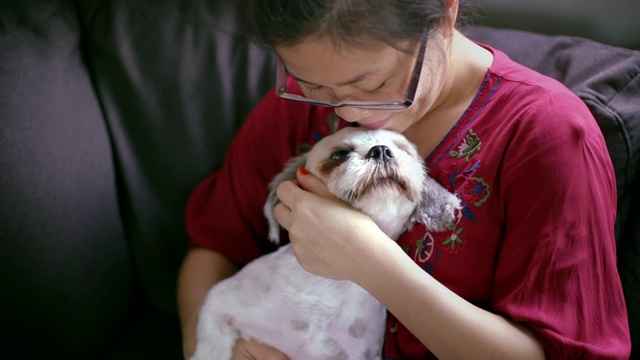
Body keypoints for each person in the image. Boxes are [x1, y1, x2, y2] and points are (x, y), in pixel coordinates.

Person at [177, 0, 631, 358]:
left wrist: (371, 263)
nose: (347, 114)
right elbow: (213, 247)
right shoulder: (299, 109)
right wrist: (215, 348)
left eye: (373, 87)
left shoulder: (545, 135)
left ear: (445, 12)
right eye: (312, 84)